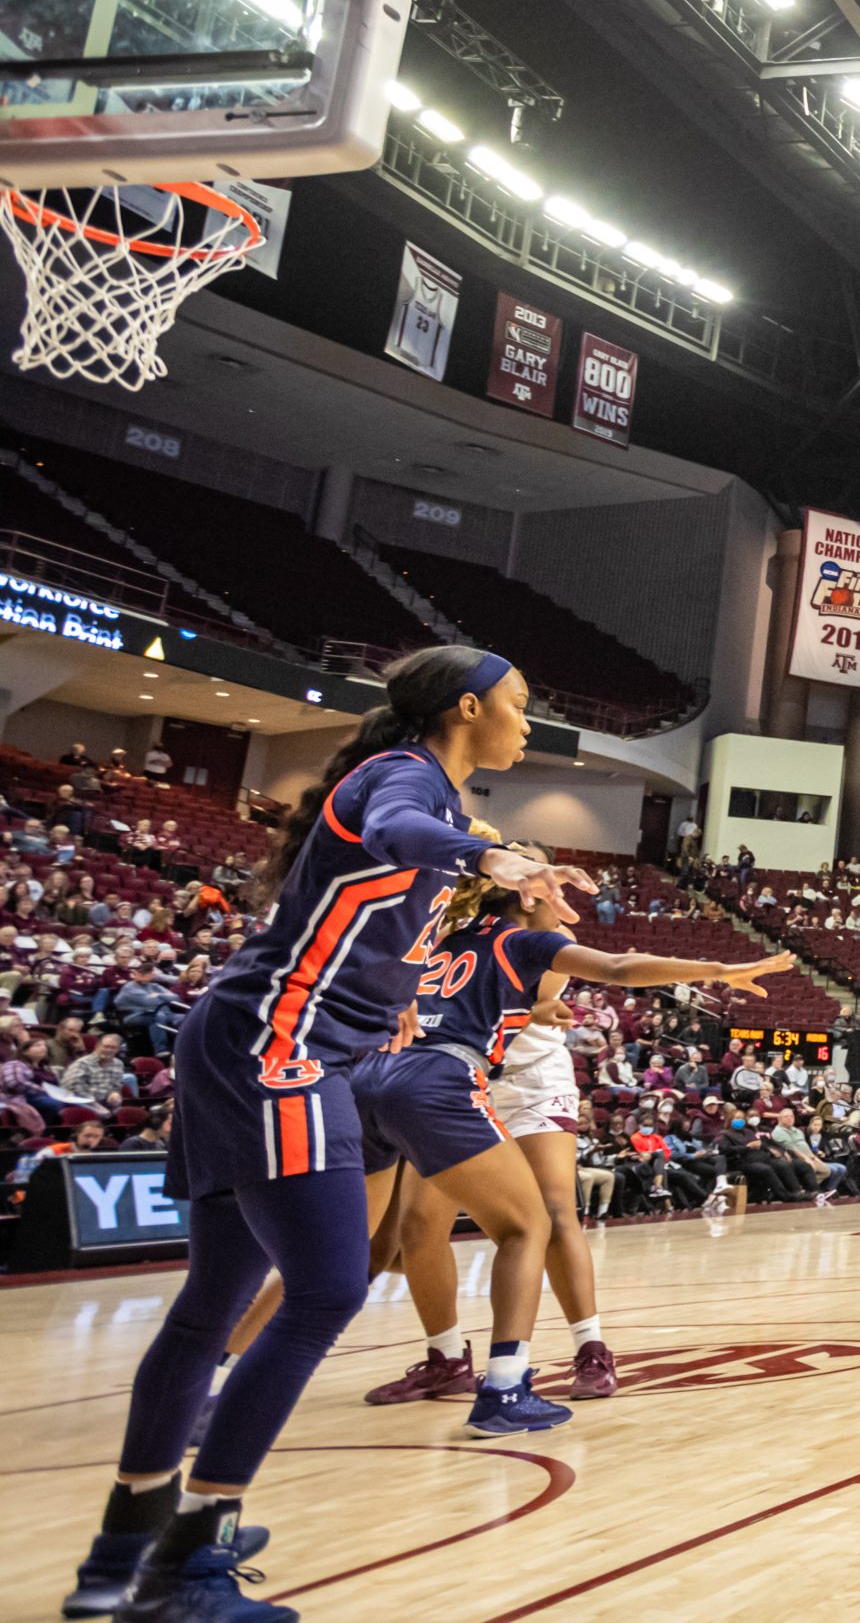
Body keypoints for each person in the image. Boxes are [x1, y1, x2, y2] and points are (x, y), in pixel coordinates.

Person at [61, 646, 594, 1623]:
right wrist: (489, 855)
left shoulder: (428, 796)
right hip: (278, 1047)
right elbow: (396, 827)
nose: (529, 723)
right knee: (326, 1290)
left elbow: (369, 917)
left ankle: (131, 1554)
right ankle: (191, 1558)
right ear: (466, 708)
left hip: (250, 1035)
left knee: (211, 1303)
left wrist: (396, 997)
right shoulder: (401, 782)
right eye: (520, 705)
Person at [346, 841, 794, 1417]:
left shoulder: (496, 937)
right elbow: (581, 976)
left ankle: (590, 1347)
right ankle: (451, 1360)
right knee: (419, 1225)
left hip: (523, 1073)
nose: (566, 893)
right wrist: (719, 971)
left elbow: (544, 982)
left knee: (552, 1213)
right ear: (527, 889)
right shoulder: (490, 934)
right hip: (457, 1072)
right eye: (550, 882)